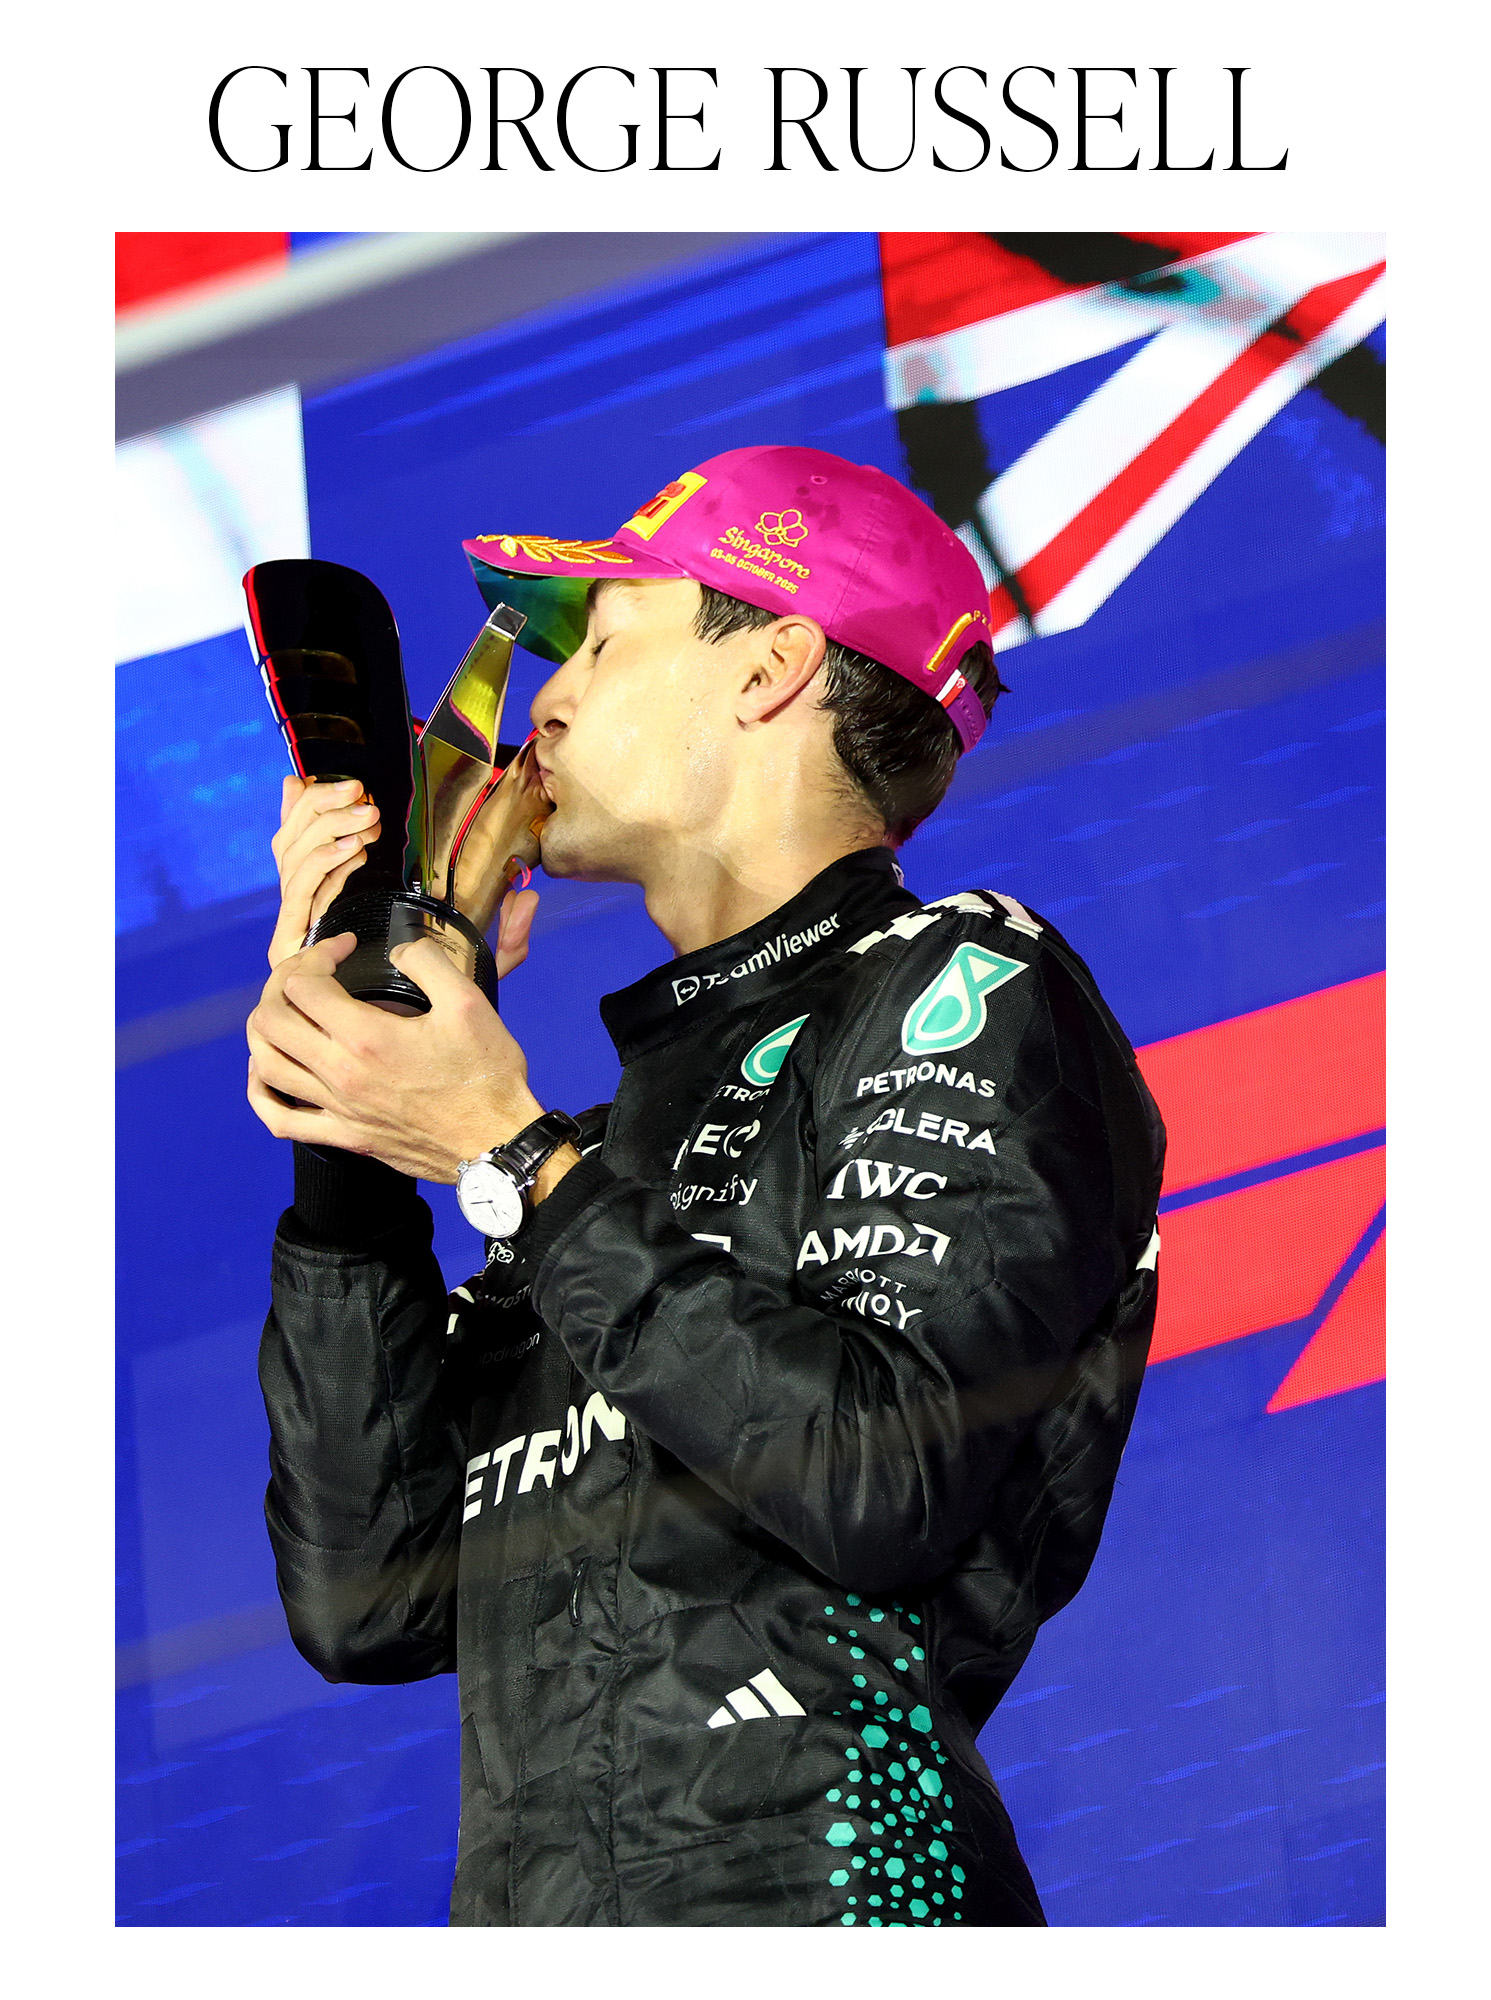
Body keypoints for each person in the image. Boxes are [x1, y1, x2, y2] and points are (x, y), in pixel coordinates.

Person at [246, 444, 1166, 1929]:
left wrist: (507, 1151)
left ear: (771, 669)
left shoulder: (965, 979)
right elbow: (374, 1597)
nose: (543, 704)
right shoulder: (598, 1152)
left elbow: (882, 1476)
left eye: (604, 644)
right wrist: (362, 1087)